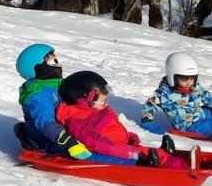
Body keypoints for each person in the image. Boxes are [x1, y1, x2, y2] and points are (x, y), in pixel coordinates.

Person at [56, 71, 188, 168]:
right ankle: (172, 166)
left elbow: (111, 127)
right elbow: (96, 142)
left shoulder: (94, 109)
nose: (105, 105)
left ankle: (165, 155)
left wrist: (128, 137)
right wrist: (129, 151)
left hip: (117, 144)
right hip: (102, 151)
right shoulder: (77, 119)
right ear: (84, 99)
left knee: (140, 151)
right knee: (137, 157)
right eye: (102, 102)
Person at [15, 43, 92, 160]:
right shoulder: (39, 95)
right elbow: (45, 122)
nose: (59, 65)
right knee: (95, 148)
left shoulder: (55, 86)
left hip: (60, 133)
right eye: (53, 62)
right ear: (39, 68)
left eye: (56, 60)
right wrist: (69, 142)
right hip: (47, 141)